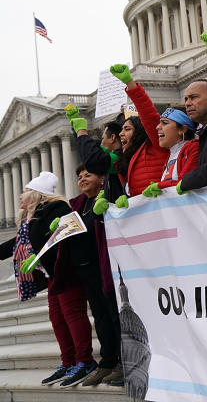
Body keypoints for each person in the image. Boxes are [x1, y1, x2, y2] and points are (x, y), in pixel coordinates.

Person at [1, 173, 95, 387]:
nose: (20, 195)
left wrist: (39, 255)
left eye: (24, 190)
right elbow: (16, 244)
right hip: (51, 275)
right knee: (57, 318)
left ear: (36, 193)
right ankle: (69, 361)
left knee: (73, 315)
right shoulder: (30, 218)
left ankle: (84, 361)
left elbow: (61, 237)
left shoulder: (56, 208)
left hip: (66, 271)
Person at [55, 164, 123, 387]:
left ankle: (123, 361)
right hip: (85, 271)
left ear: (102, 179)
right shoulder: (77, 205)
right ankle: (107, 361)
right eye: (80, 176)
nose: (82, 179)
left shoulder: (107, 198)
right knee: (101, 318)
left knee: (114, 315)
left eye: (88, 175)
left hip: (106, 266)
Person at [107, 64, 198, 197]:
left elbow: (148, 114)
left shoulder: (185, 148)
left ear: (182, 129)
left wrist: (130, 84)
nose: (157, 127)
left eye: (165, 123)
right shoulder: (167, 152)